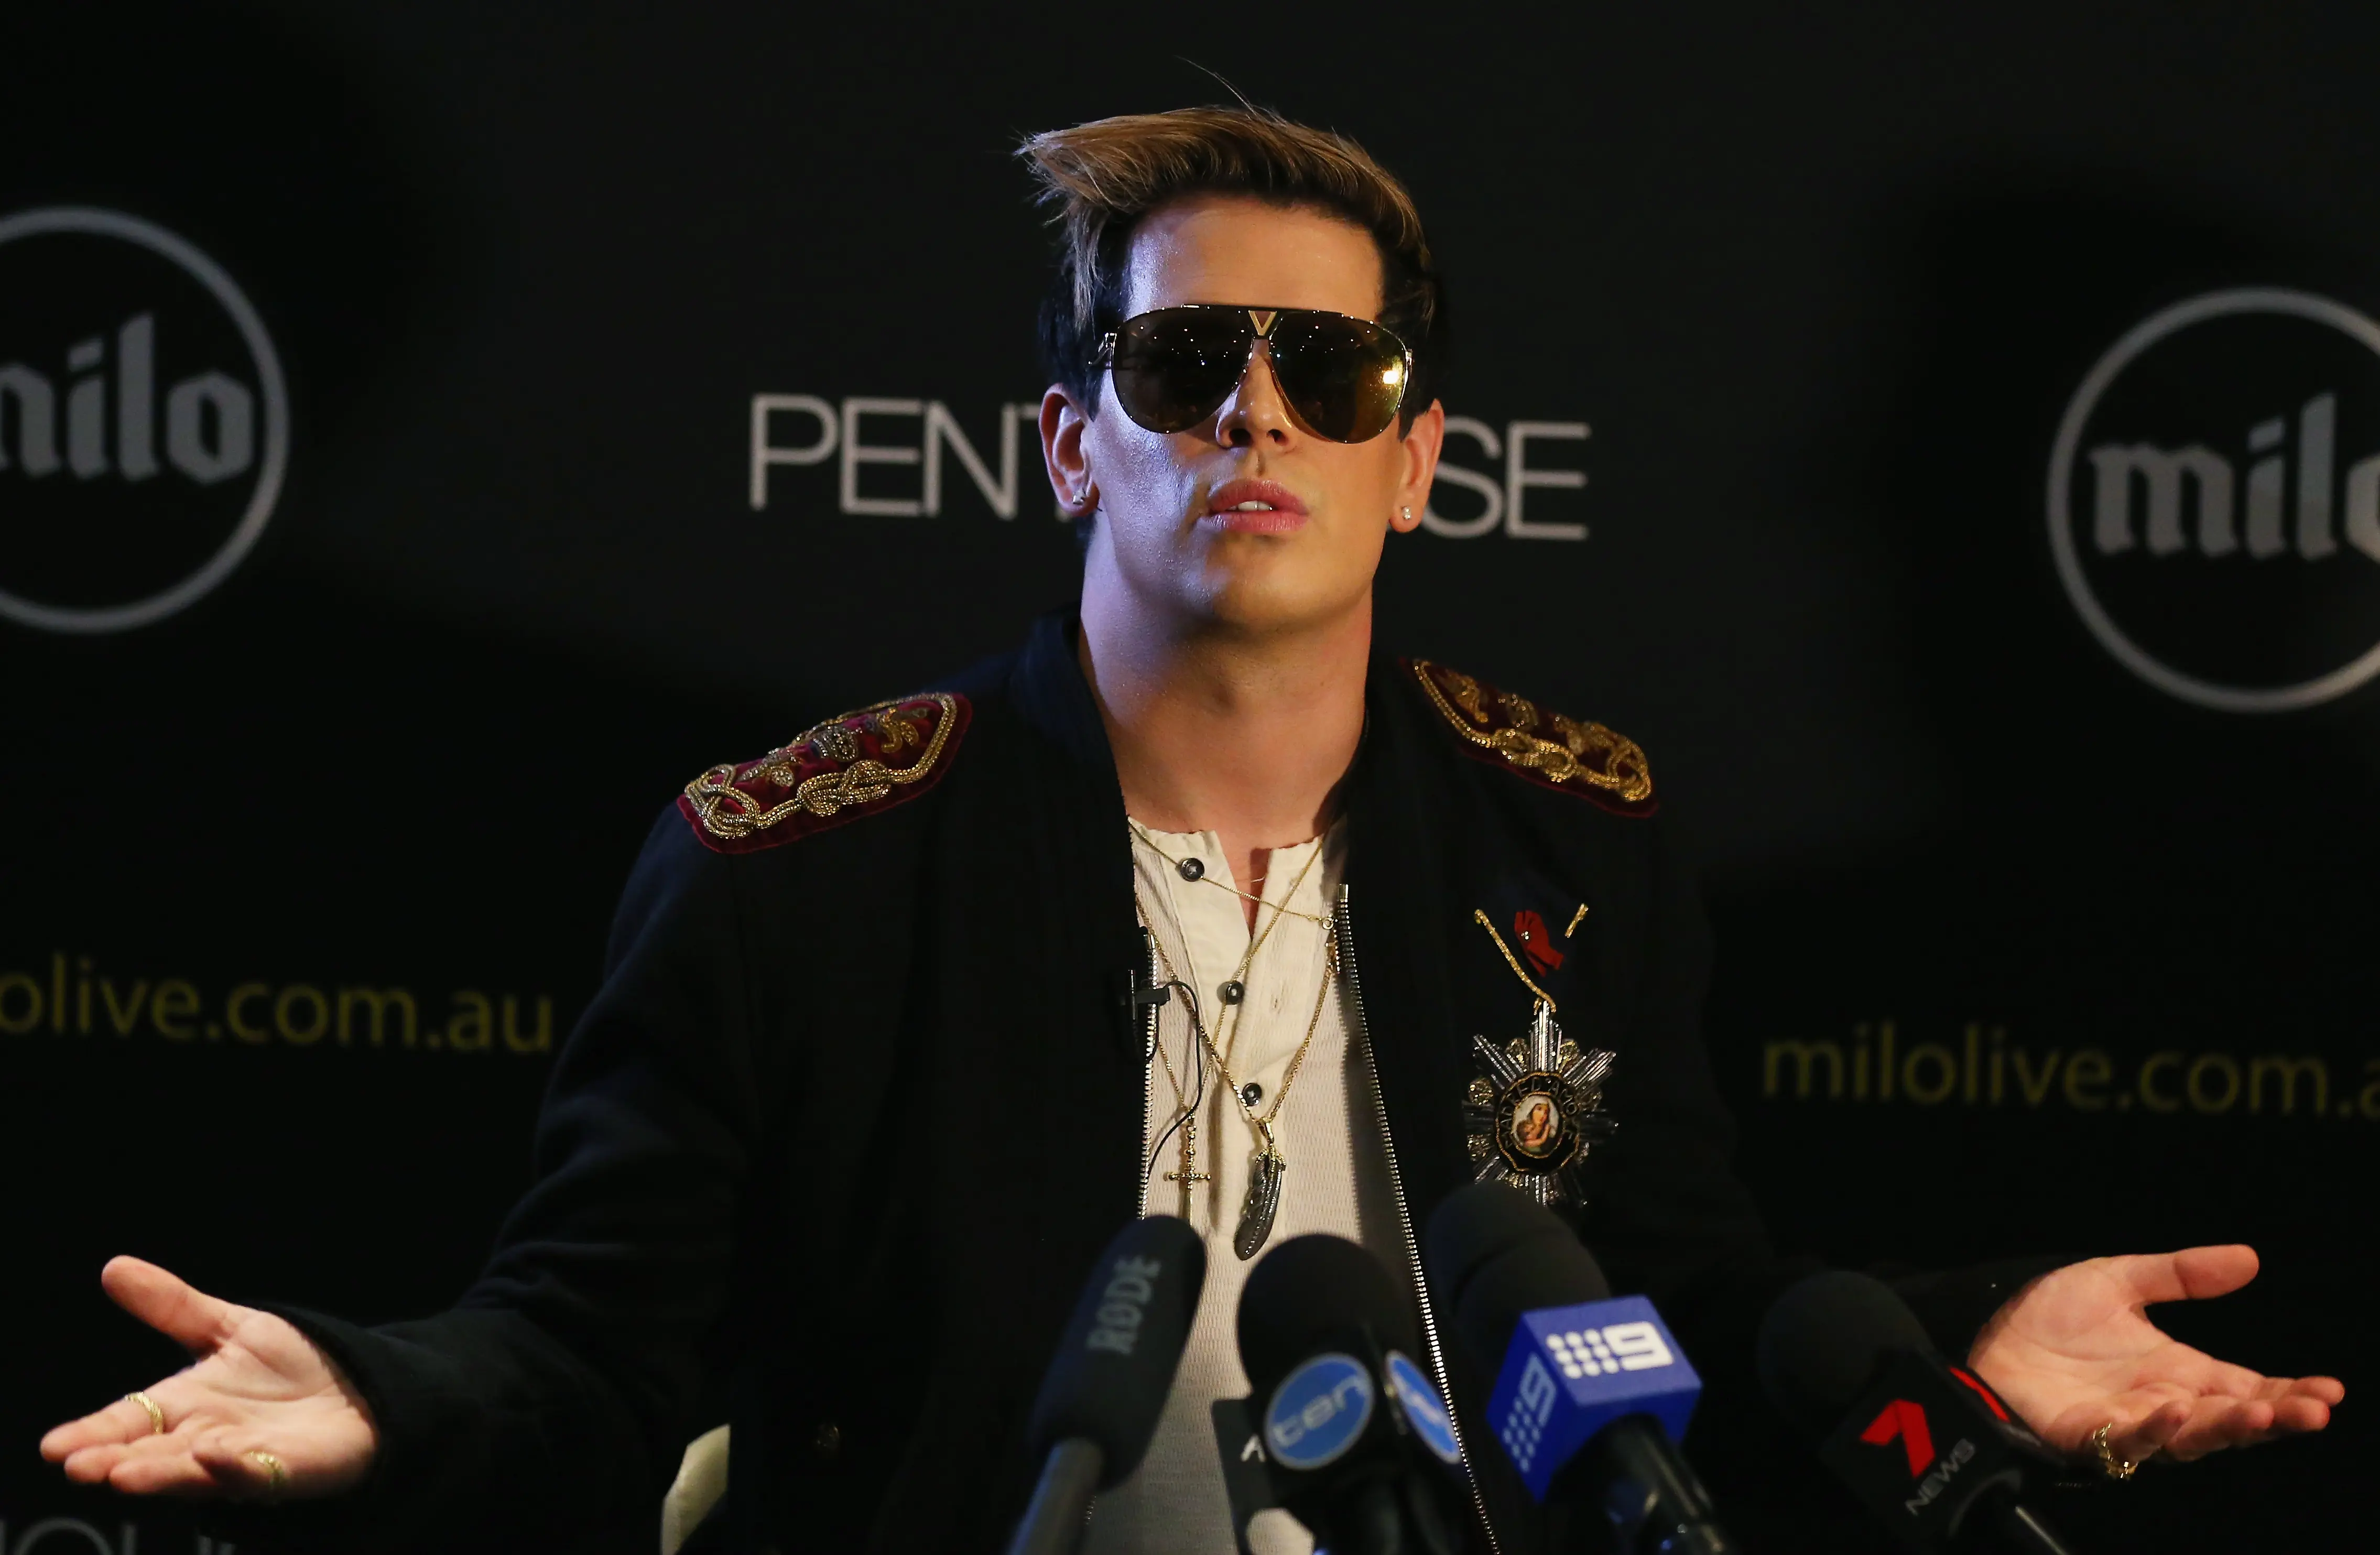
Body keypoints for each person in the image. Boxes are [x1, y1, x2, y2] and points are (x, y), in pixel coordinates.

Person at [40, 106, 2342, 1555]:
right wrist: (377, 1389)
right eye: (1177, 367)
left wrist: (1946, 1358)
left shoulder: (1578, 839)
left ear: (1416, 458)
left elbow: (1675, 1319)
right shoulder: (801, 861)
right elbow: (593, 1346)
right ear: (1071, 447)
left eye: (1326, 373)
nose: (1253, 412)